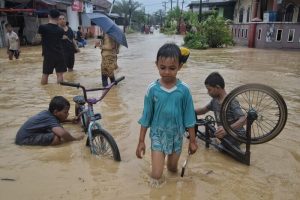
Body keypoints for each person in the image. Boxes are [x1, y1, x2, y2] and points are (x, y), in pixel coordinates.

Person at [136, 43, 198, 182]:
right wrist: (141, 141)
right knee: (156, 176)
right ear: (156, 64)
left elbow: (189, 118)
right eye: (162, 68)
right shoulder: (152, 89)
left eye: (172, 68)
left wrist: (192, 141)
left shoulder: (184, 90)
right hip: (158, 135)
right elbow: (146, 117)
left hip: (177, 135)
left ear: (180, 67)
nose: (167, 72)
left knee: (172, 169)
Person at [195, 72, 246, 149]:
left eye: (209, 90)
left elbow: (243, 119)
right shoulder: (214, 101)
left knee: (221, 148)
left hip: (236, 134)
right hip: (223, 133)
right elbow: (203, 110)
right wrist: (187, 111)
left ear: (217, 87)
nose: (208, 93)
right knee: (200, 136)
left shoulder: (231, 101)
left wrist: (226, 129)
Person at [15, 96, 84, 146]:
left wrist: (70, 120)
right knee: (56, 138)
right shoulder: (50, 119)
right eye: (65, 112)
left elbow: (56, 122)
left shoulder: (47, 114)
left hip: (22, 136)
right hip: (24, 140)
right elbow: (62, 133)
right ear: (56, 112)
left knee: (55, 131)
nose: (67, 114)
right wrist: (75, 139)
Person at [38, 9, 66, 85]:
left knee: (45, 74)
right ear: (58, 18)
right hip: (59, 54)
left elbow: (37, 39)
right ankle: (60, 91)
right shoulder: (61, 30)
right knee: (60, 75)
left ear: (49, 16)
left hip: (48, 55)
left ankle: (44, 92)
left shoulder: (42, 27)